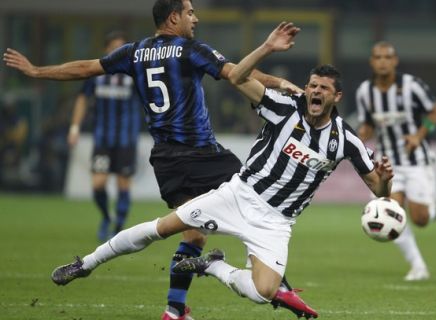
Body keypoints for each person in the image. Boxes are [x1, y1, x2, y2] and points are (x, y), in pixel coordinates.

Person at [44, 21, 393, 318]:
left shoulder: (346, 140)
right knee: (161, 229)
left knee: (264, 292)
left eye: (323, 89)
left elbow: (378, 191)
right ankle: (85, 264)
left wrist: (386, 183)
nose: (315, 91)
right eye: (312, 85)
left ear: (337, 97)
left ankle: (211, 265)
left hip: (276, 223)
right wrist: (267, 48)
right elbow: (237, 77)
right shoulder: (285, 107)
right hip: (238, 196)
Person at [3, 1, 317, 319]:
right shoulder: (188, 50)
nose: (195, 18)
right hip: (201, 153)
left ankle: (169, 306)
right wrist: (278, 83)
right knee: (257, 199)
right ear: (173, 17)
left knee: (192, 234)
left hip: (166, 159)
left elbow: (86, 68)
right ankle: (279, 286)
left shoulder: (134, 52)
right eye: (190, 12)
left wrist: (36, 71)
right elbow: (237, 74)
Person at [355, 41, 436, 281]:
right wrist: (359, 137)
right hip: (388, 164)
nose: (382, 61)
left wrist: (418, 136)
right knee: (391, 212)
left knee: (420, 219)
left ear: (395, 61)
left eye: (387, 57)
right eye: (378, 57)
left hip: (416, 160)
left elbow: (435, 112)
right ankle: (418, 266)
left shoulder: (412, 86)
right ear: (372, 62)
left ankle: (431, 208)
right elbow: (368, 125)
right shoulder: (365, 91)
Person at [68, 31, 142, 241]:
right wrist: (74, 127)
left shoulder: (134, 73)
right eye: (114, 47)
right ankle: (106, 216)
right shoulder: (97, 74)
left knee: (123, 184)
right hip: (102, 138)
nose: (119, 51)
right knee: (98, 184)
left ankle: (118, 226)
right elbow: (83, 99)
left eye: (122, 47)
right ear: (106, 50)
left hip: (127, 139)